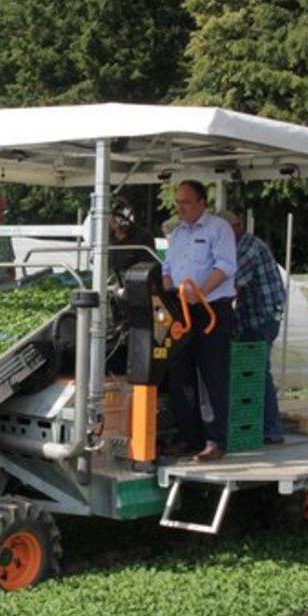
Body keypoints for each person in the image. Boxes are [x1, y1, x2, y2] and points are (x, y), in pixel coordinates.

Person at [162, 179, 237, 462]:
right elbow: (167, 267)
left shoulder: (219, 229)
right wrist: (170, 295)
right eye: (178, 202)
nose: (180, 208)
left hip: (211, 309)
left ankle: (214, 440)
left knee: (211, 375)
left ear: (202, 203)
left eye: (186, 202)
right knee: (180, 372)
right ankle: (188, 437)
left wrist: (200, 293)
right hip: (182, 310)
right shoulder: (177, 233)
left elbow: (225, 266)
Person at [219, 211, 285, 445]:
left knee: (256, 371)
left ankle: (271, 429)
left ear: (237, 227)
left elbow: (230, 286)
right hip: (250, 318)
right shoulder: (237, 247)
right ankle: (253, 425)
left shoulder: (247, 248)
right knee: (249, 371)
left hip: (262, 319)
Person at [108, 197, 157, 285]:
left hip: (136, 285)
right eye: (111, 214)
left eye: (118, 214)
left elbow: (148, 269)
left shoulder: (143, 237)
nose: (112, 218)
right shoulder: (105, 239)